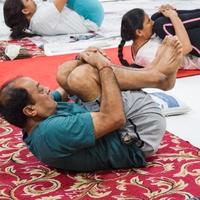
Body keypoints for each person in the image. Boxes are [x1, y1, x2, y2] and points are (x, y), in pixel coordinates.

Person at [0, 36, 183, 172]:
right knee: (83, 76)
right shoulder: (53, 131)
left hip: (118, 126)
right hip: (135, 133)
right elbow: (114, 119)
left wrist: (83, 57)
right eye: (40, 91)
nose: (47, 89)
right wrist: (102, 66)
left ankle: (154, 73)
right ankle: (158, 77)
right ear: (30, 109)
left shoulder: (38, 115)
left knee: (65, 72)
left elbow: (63, 88)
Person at [118, 5, 200, 70]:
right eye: (148, 22)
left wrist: (169, 11)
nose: (152, 23)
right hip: (196, 55)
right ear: (139, 32)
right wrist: (174, 16)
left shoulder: (139, 44)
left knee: (157, 17)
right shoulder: (148, 56)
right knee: (160, 24)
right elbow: (186, 47)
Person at [3, 0, 104, 39]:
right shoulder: (41, 18)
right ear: (25, 11)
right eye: (27, 0)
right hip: (91, 16)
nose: (32, 0)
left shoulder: (35, 23)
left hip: (90, 14)